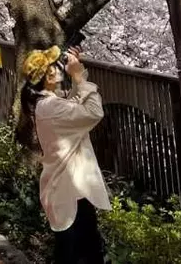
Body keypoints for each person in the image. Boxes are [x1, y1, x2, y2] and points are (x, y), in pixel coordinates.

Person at [20, 46, 110, 264]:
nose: (58, 66)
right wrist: (79, 76)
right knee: (80, 255)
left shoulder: (47, 104)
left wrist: (79, 75)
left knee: (77, 251)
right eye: (53, 65)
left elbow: (73, 107)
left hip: (68, 189)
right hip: (71, 193)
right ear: (46, 75)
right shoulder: (51, 107)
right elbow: (93, 113)